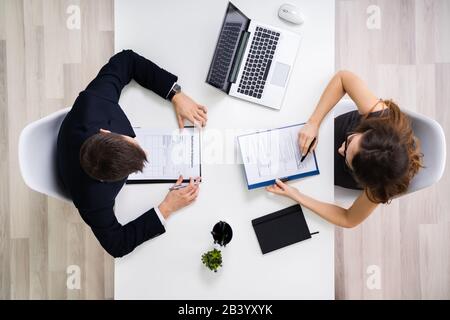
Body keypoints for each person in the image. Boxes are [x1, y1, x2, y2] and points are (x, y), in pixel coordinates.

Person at [57, 49, 207, 257]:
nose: (143, 147)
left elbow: (126, 60)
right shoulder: (93, 200)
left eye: (133, 142)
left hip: (75, 129)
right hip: (69, 164)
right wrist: (166, 208)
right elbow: (117, 245)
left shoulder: (94, 104)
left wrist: (175, 94)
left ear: (106, 131)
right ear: (107, 181)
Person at [266, 70, 423, 228]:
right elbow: (343, 78)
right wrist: (314, 122)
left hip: (321, 178)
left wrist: (298, 196)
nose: (340, 150)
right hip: (318, 132)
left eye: (348, 159)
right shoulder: (383, 118)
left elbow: (349, 219)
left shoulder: (381, 183)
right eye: (350, 140)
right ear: (370, 128)